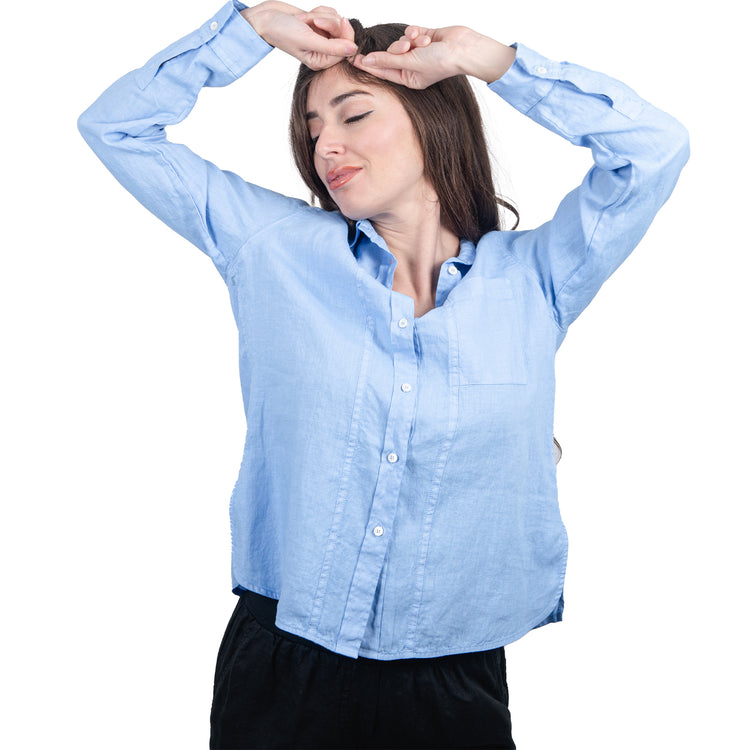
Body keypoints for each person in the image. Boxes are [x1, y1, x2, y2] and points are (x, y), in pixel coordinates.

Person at [78, 1, 689, 747]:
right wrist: (251, 29)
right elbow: (116, 129)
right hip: (284, 661)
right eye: (312, 130)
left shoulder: (538, 279)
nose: (326, 146)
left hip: (453, 675)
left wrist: (488, 58)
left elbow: (654, 150)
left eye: (353, 115)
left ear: (433, 119)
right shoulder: (272, 247)